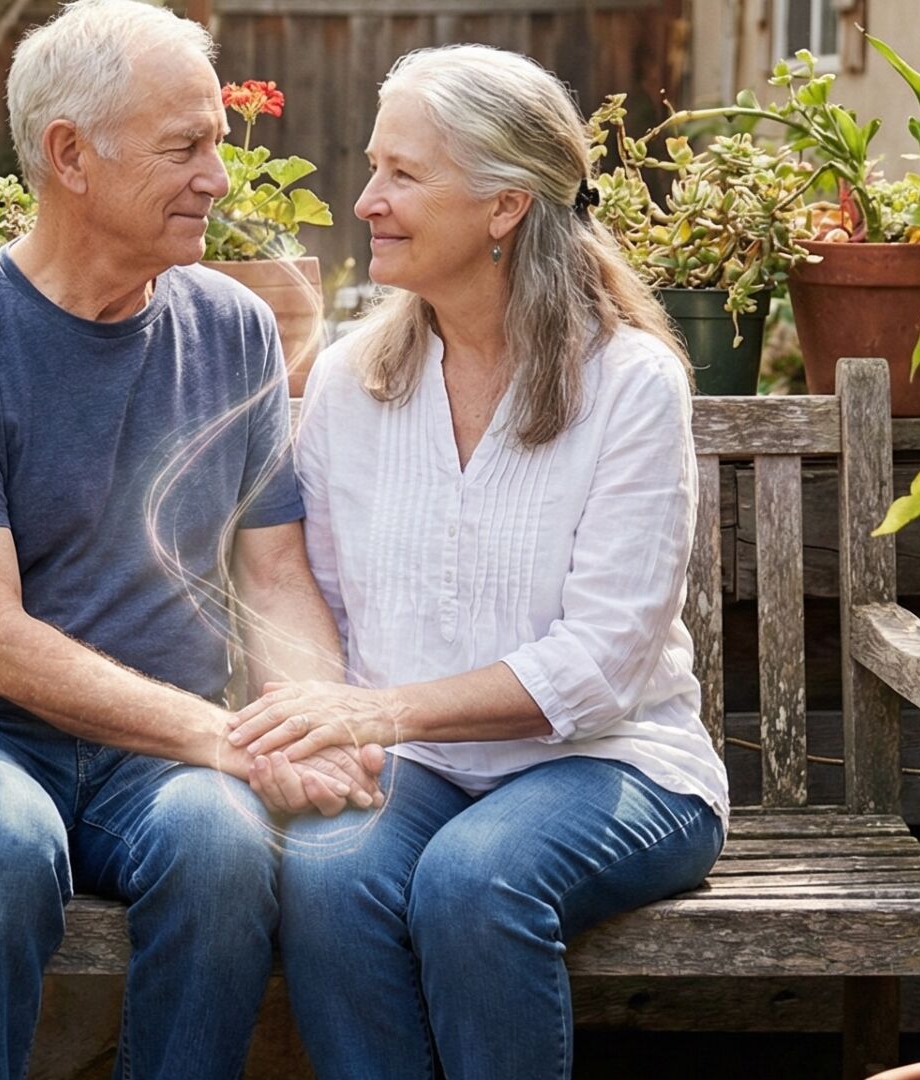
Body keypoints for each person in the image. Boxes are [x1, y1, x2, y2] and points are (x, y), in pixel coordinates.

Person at [0, 2, 383, 1077]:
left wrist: (312, 723)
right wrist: (224, 739)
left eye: (217, 148)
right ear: (71, 157)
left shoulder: (234, 330)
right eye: (183, 148)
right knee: (1, 846)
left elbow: (275, 573)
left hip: (159, 757)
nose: (219, 180)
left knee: (227, 846)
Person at [227, 44, 730, 1079]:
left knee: (475, 879)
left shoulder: (629, 384)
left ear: (504, 207)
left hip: (615, 766)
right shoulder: (354, 377)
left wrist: (380, 713)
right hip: (418, 770)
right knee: (322, 868)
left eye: (403, 175)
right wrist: (317, 717)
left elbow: (601, 667)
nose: (366, 199)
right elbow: (305, 590)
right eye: (374, 168)